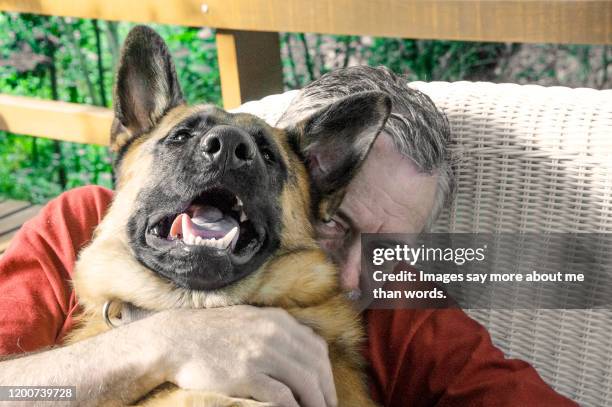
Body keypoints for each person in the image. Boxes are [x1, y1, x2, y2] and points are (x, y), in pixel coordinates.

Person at [0, 66, 576, 406]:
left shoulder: (400, 307)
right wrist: (162, 344)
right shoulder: (75, 226)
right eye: (334, 224)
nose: (351, 276)